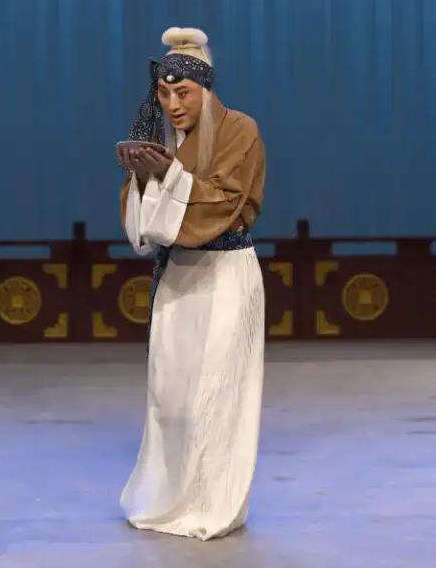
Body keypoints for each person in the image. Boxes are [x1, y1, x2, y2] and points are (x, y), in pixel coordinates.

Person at [117, 27, 266, 541]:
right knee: (172, 394)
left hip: (225, 275)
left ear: (205, 88)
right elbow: (145, 221)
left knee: (217, 393)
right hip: (179, 273)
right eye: (164, 93)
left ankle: (212, 504)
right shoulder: (163, 140)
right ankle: (168, 498)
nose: (173, 104)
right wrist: (144, 176)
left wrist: (170, 177)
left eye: (183, 92)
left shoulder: (239, 130)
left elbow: (224, 200)